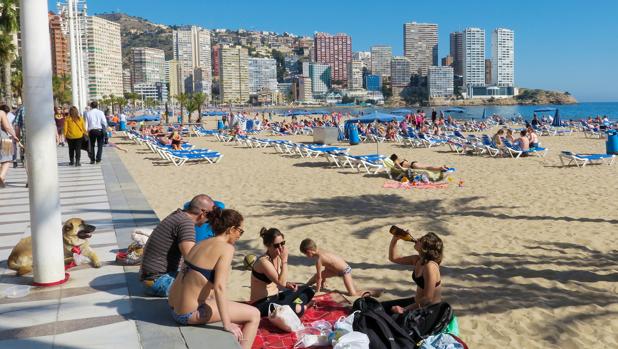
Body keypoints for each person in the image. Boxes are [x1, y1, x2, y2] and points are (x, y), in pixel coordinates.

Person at [168, 208, 259, 349]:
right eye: (240, 231)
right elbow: (219, 287)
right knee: (254, 314)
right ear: (231, 229)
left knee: (224, 303)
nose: (240, 235)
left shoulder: (201, 243)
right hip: (187, 315)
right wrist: (227, 323)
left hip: (173, 307)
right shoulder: (226, 248)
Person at [140, 194, 215, 296]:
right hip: (159, 281)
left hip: (150, 277)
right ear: (203, 213)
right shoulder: (186, 223)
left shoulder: (178, 214)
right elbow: (191, 259)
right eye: (210, 216)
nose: (209, 220)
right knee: (207, 290)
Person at [250, 228, 315, 317]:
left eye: (282, 243)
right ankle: (301, 307)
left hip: (276, 297)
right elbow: (281, 283)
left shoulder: (277, 257)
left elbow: (278, 280)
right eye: (276, 245)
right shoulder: (263, 262)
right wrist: (284, 261)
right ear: (268, 245)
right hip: (261, 304)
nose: (280, 248)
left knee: (308, 290)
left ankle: (297, 306)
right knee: (289, 309)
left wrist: (287, 284)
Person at [382, 231, 443, 316]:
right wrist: (395, 239)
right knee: (381, 308)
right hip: (417, 304)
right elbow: (393, 258)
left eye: (420, 240)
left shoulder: (430, 267)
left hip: (429, 312)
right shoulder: (417, 260)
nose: (417, 239)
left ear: (425, 248)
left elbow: (427, 299)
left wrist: (404, 310)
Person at [300, 238, 381, 297]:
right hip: (334, 270)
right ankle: (306, 285)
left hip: (345, 271)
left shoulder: (319, 259)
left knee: (353, 294)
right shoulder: (319, 250)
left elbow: (319, 278)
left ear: (309, 251)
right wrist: (323, 281)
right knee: (316, 276)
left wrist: (317, 292)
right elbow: (328, 265)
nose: (306, 256)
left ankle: (373, 292)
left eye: (306, 254)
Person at [0, 104, 19, 188]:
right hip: (4, 137)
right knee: (8, 159)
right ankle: (1, 176)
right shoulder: (1, 113)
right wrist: (14, 135)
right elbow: (7, 127)